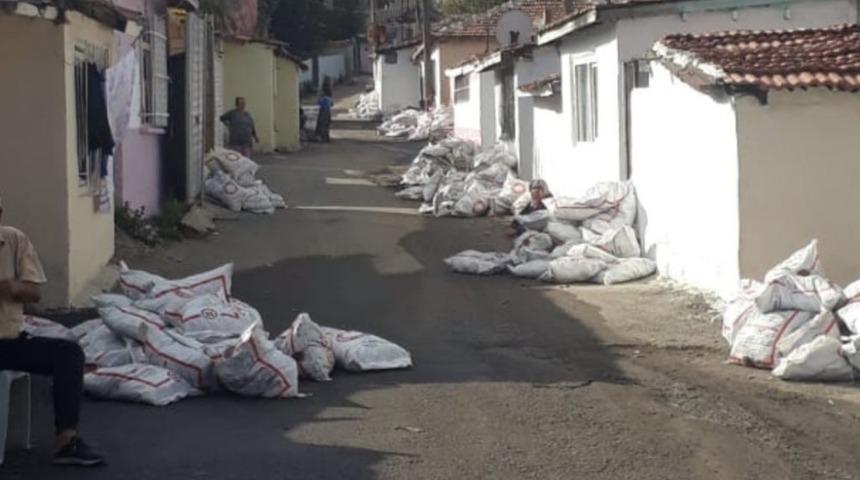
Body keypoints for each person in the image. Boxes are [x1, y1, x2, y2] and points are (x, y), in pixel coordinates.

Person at [0, 195, 104, 466]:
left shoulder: (13, 241)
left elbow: (34, 292)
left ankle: (66, 441)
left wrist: (13, 288)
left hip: (6, 342)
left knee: (69, 354)